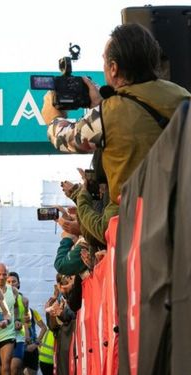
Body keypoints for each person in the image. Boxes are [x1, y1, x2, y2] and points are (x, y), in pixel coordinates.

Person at [42, 23, 191, 245]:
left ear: (113, 68)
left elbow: (65, 138)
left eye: (104, 62)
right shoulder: (183, 96)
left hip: (138, 234)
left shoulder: (109, 113)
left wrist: (53, 118)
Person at [6, 271, 30, 375]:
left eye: (13, 281)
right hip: (3, 337)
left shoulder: (24, 300)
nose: (11, 284)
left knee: (15, 369)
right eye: (8, 282)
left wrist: (25, 331)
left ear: (19, 284)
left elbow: (26, 319)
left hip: (18, 338)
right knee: (1, 371)